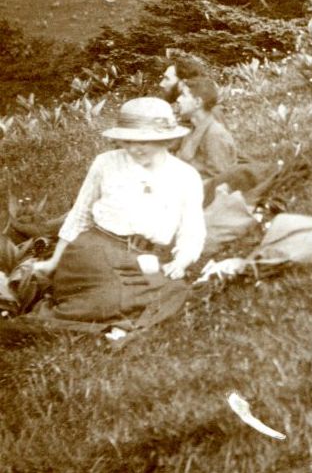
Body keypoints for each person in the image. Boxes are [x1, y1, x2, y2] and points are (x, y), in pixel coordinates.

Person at [28, 97, 206, 327]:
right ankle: (81, 307)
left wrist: (180, 262)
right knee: (114, 298)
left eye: (143, 142)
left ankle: (95, 310)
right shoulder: (105, 163)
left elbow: (192, 230)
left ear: (166, 140)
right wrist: (54, 262)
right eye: (127, 141)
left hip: (143, 258)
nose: (133, 148)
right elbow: (80, 215)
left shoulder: (185, 176)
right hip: (96, 250)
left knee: (175, 290)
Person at [174, 76, 238, 179]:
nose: (178, 99)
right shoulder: (193, 129)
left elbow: (220, 180)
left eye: (184, 95)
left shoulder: (215, 134)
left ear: (197, 102)